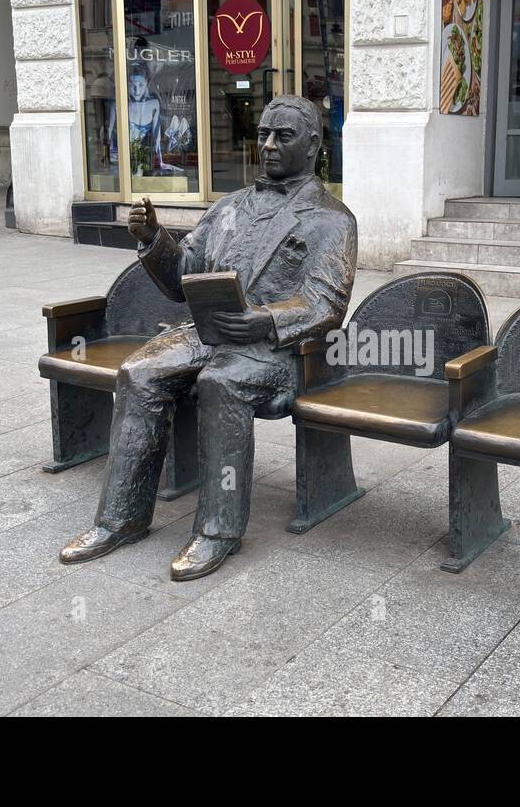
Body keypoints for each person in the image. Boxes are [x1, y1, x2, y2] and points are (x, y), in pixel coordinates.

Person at [58, 95, 358, 581]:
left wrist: (265, 320)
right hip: (208, 332)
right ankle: (122, 518)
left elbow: (325, 303)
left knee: (222, 382)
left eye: (283, 136)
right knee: (139, 372)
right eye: (263, 134)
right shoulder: (228, 207)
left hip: (280, 349)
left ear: (314, 144)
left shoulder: (332, 220)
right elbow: (181, 278)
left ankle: (219, 530)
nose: (268, 145)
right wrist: (154, 239)